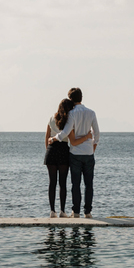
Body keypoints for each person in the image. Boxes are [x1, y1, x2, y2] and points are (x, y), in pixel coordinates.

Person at [49, 87, 100, 218]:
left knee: (75, 184)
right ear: (81, 98)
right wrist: (93, 147)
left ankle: (76, 212)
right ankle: (88, 212)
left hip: (75, 154)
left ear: (71, 99)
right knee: (89, 185)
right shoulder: (91, 113)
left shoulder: (72, 113)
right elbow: (97, 133)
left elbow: (65, 132)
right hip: (89, 153)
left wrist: (54, 138)